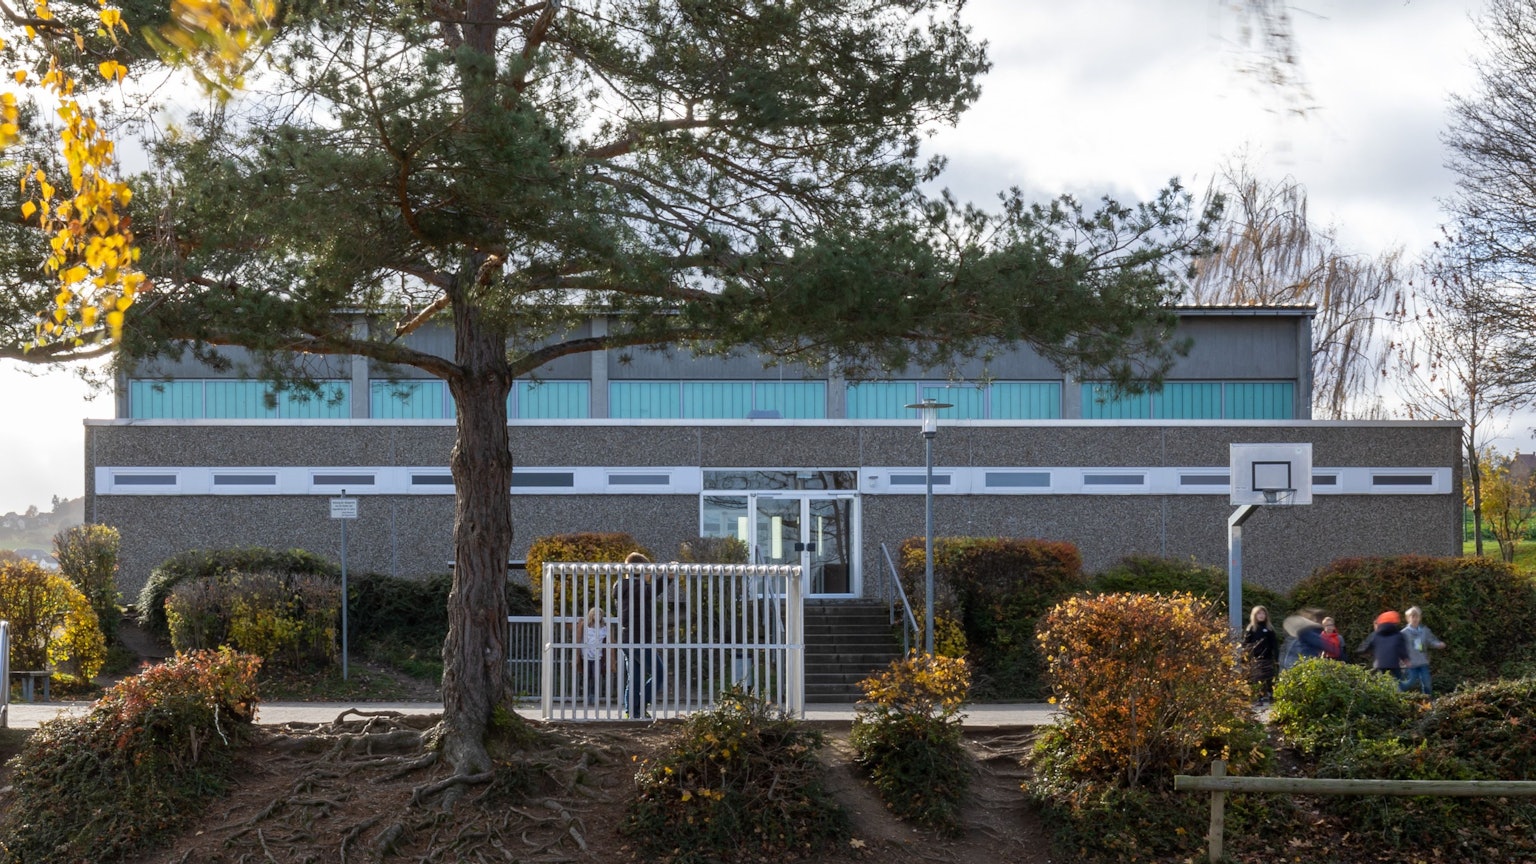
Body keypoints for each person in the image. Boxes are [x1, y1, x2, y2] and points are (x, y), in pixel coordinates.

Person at [613, 551, 667, 719]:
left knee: (634, 677)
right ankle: (641, 704)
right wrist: (668, 577)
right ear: (642, 571)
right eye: (649, 570)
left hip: (628, 638)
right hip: (638, 638)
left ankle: (633, 712)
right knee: (658, 672)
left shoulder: (624, 586)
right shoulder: (634, 586)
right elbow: (651, 592)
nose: (651, 574)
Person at [1400, 606, 1446, 696]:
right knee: (1409, 683)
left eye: (1417, 616)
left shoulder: (1424, 631)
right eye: (1412, 616)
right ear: (1408, 618)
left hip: (1422, 662)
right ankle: (1398, 693)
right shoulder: (1404, 633)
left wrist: (1438, 644)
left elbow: (1431, 641)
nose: (1415, 619)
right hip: (1411, 664)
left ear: (1420, 618)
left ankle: (1428, 702)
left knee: (1427, 683)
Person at [573, 606, 611, 704]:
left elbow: (609, 639)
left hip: (598, 655)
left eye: (599, 614)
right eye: (594, 614)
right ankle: (585, 695)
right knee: (586, 676)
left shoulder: (604, 628)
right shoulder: (585, 626)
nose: (597, 616)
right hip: (585, 655)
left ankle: (593, 695)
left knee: (596, 676)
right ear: (591, 615)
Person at [1358, 610, 1410, 679]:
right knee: (1399, 679)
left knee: (1381, 680)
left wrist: (1362, 651)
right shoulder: (1398, 635)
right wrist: (1406, 660)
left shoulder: (1376, 635)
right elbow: (1401, 650)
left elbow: (1368, 644)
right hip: (1393, 662)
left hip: (1381, 662)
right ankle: (1400, 688)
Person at [1243, 605, 1279, 701]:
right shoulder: (1251, 628)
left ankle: (1270, 694)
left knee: (1269, 677)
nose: (1261, 615)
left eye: (1263, 613)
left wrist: (1276, 657)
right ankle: (1260, 696)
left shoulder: (1269, 629)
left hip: (1267, 657)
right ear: (1254, 615)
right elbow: (1246, 643)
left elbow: (1274, 644)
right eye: (1259, 613)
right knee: (1257, 678)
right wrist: (1245, 657)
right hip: (1255, 658)